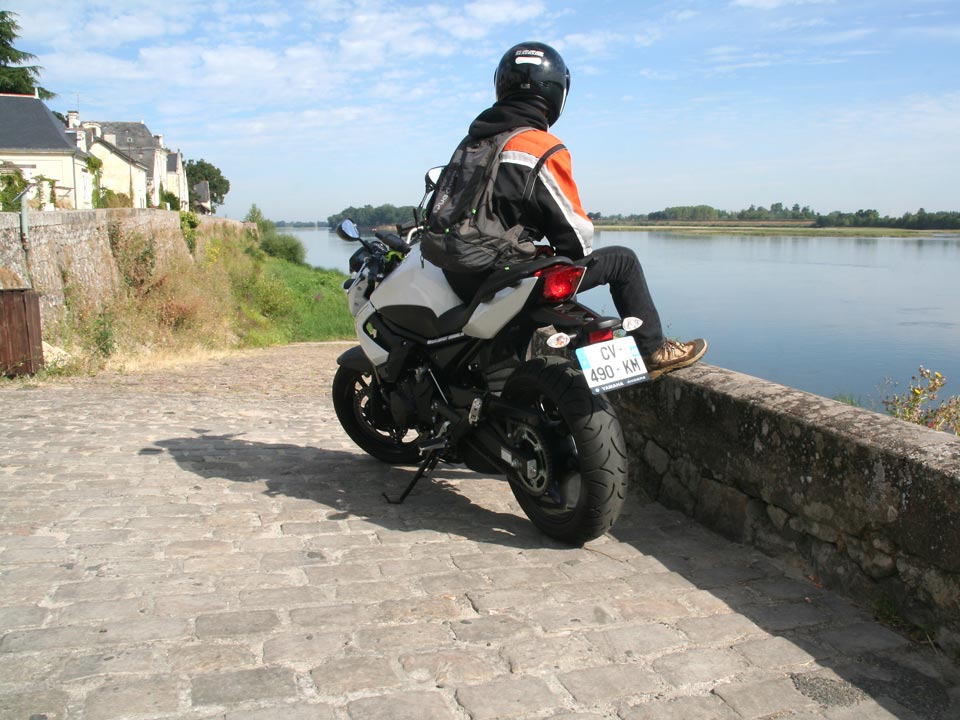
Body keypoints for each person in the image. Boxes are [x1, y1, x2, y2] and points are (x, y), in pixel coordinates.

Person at [429, 40, 707, 379]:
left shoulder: (474, 142)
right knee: (623, 261)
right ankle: (652, 350)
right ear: (556, 93)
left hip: (460, 275)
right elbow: (576, 239)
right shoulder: (536, 145)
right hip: (503, 279)